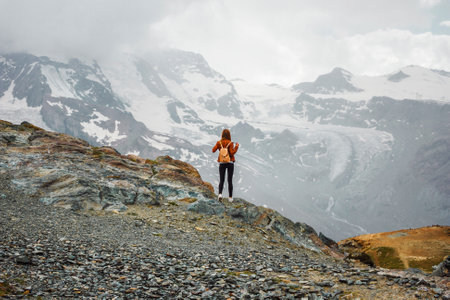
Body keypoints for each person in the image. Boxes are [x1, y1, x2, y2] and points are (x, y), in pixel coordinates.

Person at [212, 129, 239, 202]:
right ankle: (230, 198)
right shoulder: (230, 143)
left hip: (222, 163)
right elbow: (232, 153)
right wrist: (236, 146)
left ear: (222, 135)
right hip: (230, 163)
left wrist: (219, 147)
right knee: (229, 180)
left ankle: (220, 194)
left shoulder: (219, 143)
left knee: (221, 180)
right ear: (229, 135)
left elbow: (213, 150)